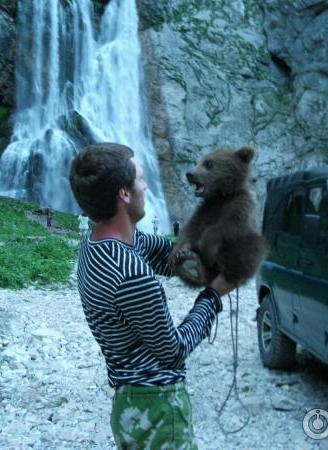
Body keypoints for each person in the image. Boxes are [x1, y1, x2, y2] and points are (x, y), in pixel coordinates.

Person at [69, 142, 235, 449]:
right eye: (142, 179)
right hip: (157, 406)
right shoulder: (130, 274)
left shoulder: (96, 243)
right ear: (124, 193)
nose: (147, 186)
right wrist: (212, 296)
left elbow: (168, 257)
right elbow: (173, 352)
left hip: (128, 401)